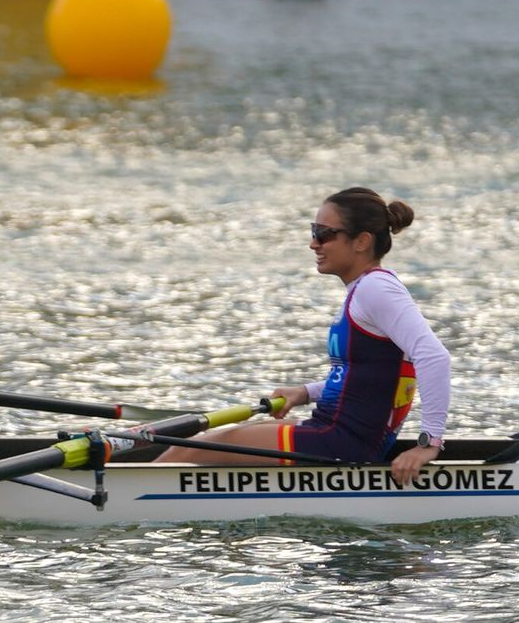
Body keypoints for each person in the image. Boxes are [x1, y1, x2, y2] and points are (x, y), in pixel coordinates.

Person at [156, 188, 450, 485]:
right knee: (208, 441)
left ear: (362, 241)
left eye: (324, 233)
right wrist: (306, 392)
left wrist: (427, 444)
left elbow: (433, 357)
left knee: (185, 450)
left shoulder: (377, 289)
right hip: (334, 433)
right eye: (314, 231)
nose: (313, 244)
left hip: (339, 442)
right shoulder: (365, 290)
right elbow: (371, 375)